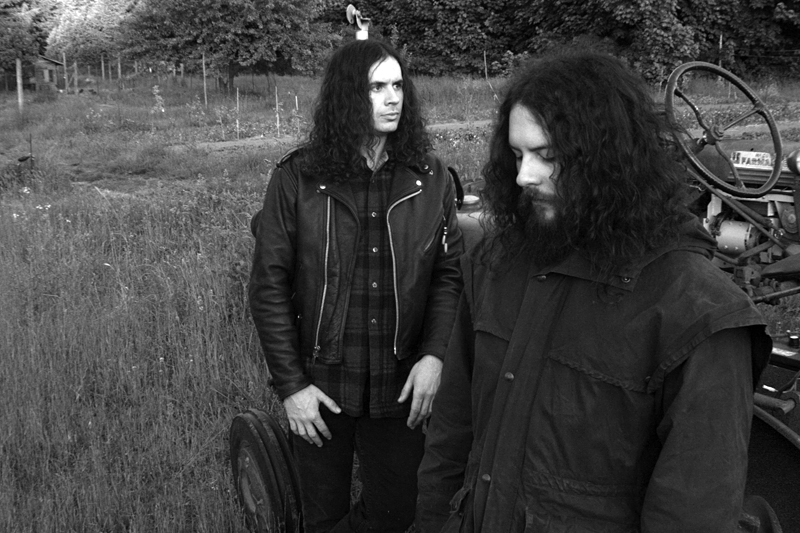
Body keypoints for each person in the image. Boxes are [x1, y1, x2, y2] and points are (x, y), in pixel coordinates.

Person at [415, 52, 772, 532]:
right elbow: (451, 434)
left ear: (610, 159)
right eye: (518, 155)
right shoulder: (497, 263)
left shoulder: (698, 314)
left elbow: (694, 512)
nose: (524, 176)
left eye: (548, 156)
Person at [248, 38, 463, 533]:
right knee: (322, 512)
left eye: (398, 86)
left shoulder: (429, 176)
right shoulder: (299, 176)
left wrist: (434, 356)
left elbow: (447, 276)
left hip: (400, 381)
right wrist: (292, 386)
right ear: (347, 94)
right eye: (376, 88)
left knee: (397, 512)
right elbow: (268, 286)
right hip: (322, 380)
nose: (393, 98)